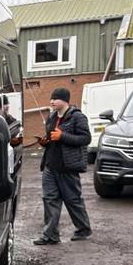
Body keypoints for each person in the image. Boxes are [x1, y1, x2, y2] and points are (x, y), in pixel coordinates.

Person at [33, 87, 92, 245]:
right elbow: (51, 138)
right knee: (49, 199)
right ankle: (50, 235)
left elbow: (86, 138)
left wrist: (62, 136)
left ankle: (83, 229)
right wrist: (45, 142)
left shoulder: (77, 117)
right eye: (51, 98)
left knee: (73, 200)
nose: (51, 101)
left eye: (55, 99)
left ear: (64, 100)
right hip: (50, 166)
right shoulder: (52, 116)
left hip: (67, 167)